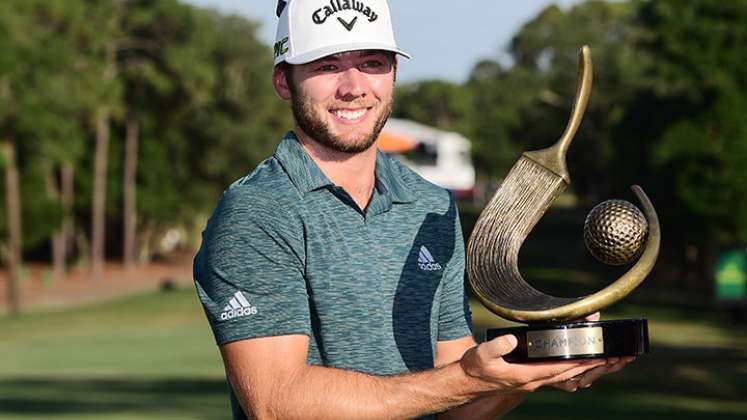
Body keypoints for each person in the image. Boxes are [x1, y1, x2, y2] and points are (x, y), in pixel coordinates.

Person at [193, 1, 632, 418]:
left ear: (394, 73)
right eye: (327, 66)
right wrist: (466, 377)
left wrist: (529, 371)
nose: (354, 86)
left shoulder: (430, 206)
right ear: (284, 82)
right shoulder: (256, 212)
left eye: (373, 63)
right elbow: (277, 403)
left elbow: (455, 403)